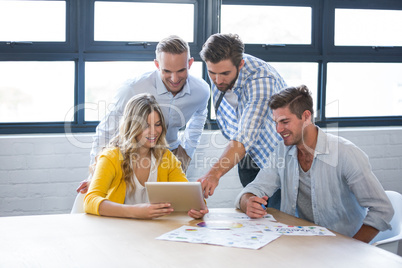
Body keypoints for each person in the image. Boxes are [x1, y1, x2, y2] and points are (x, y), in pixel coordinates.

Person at [235, 85, 394, 243]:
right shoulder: (282, 152)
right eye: (275, 122)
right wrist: (247, 201)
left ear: (306, 116)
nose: (278, 129)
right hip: (305, 242)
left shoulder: (345, 154)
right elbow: (256, 188)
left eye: (284, 122)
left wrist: (352, 247)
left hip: (343, 246)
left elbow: (382, 210)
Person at [77, 35, 210, 193]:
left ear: (190, 63)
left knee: (172, 203)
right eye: (167, 71)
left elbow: (200, 116)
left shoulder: (201, 90)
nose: (175, 79)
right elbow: (106, 130)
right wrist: (95, 174)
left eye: (181, 71)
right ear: (157, 65)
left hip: (171, 153)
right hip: (134, 153)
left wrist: (187, 152)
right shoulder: (133, 88)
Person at [84, 93, 208, 219]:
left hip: (154, 230)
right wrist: (135, 211)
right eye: (146, 126)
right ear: (132, 126)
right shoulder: (111, 157)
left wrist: (198, 207)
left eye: (158, 124)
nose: (154, 131)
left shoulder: (166, 158)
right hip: (118, 230)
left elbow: (187, 194)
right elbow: (90, 201)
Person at [198, 33, 287, 203]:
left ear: (241, 64)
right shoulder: (220, 70)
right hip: (247, 154)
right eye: (212, 73)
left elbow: (245, 135)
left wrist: (213, 174)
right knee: (254, 212)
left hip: (276, 157)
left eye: (224, 73)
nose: (217, 80)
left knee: (278, 215)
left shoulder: (262, 79)